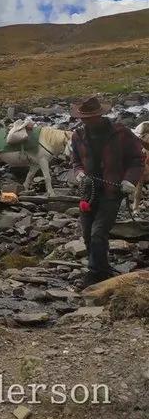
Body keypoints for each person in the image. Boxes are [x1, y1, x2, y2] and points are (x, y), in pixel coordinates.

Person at [70, 96, 144, 287]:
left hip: (112, 191)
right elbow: (76, 161)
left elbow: (137, 159)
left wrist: (129, 180)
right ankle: (102, 269)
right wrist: (79, 173)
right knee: (87, 234)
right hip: (88, 192)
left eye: (89, 118)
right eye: (83, 118)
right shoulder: (78, 135)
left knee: (98, 233)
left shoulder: (121, 133)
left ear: (100, 115)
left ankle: (95, 274)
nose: (85, 121)